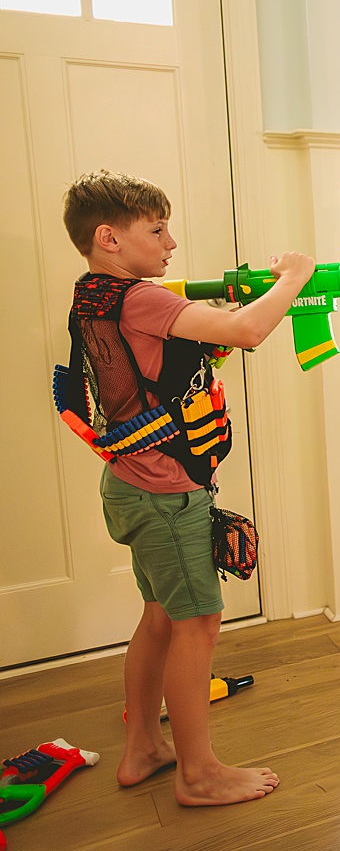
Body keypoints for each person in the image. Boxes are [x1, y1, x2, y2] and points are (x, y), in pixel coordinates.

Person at [61, 170, 315, 804]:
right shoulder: (141, 300)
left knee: (158, 619)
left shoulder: (93, 295)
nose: (171, 242)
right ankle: (198, 776)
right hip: (166, 495)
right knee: (197, 623)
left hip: (132, 487)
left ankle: (143, 748)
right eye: (156, 229)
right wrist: (295, 276)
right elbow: (248, 332)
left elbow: (170, 356)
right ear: (107, 238)